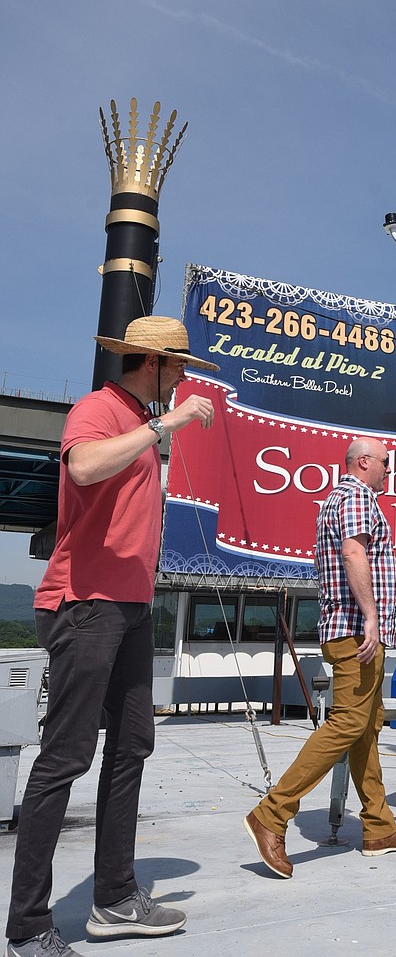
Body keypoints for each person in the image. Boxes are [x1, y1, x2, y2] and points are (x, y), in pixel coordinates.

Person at [5, 316, 219, 957]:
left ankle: (116, 898)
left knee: (132, 747)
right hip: (85, 604)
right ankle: (27, 926)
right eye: (177, 365)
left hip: (129, 608)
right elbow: (83, 468)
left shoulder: (135, 421)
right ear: (150, 363)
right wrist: (164, 426)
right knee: (66, 757)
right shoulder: (100, 409)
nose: (183, 377)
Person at [244, 436, 396, 878]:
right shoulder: (358, 498)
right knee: (348, 722)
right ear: (364, 462)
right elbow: (354, 552)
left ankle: (379, 828)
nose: (389, 470)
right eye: (385, 462)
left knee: (365, 726)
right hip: (357, 635)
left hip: (347, 633)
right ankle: (272, 813)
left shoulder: (335, 500)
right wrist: (371, 617)